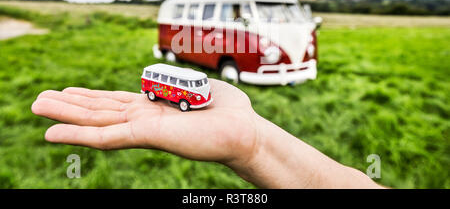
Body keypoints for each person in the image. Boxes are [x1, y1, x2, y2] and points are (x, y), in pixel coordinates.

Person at [31, 79, 383, 188]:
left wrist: (255, 141)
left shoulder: (197, 92)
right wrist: (256, 144)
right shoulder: (179, 90)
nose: (197, 92)